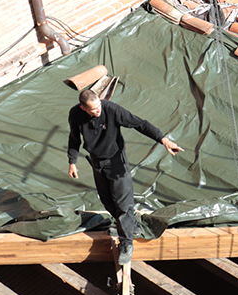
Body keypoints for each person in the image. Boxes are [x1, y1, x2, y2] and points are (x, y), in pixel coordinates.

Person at [67, 88, 182, 264]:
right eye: (94, 109)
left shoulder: (111, 109)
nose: (98, 111)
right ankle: (131, 227)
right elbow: (74, 138)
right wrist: (72, 161)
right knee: (107, 200)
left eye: (99, 106)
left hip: (116, 162)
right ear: (83, 108)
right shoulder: (75, 114)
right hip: (97, 161)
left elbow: (140, 124)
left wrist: (164, 140)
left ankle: (127, 243)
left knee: (123, 202)